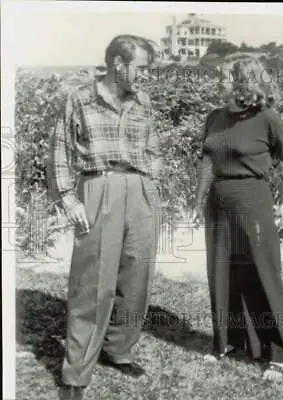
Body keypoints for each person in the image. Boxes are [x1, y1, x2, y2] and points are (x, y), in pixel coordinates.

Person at [49, 35, 162, 400]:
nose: (144, 77)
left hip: (141, 191)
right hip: (98, 187)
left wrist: (151, 181)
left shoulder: (143, 101)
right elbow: (60, 152)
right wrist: (69, 199)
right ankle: (76, 373)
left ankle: (119, 349)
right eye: (140, 68)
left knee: (136, 277)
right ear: (118, 63)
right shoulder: (79, 98)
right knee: (92, 283)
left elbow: (153, 147)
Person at [192, 58, 283, 383]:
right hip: (218, 204)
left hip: (253, 201)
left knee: (262, 274)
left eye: (223, 77)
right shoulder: (214, 118)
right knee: (222, 273)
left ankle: (278, 354)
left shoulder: (265, 118)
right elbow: (208, 160)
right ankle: (227, 342)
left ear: (242, 82)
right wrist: (197, 201)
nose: (218, 82)